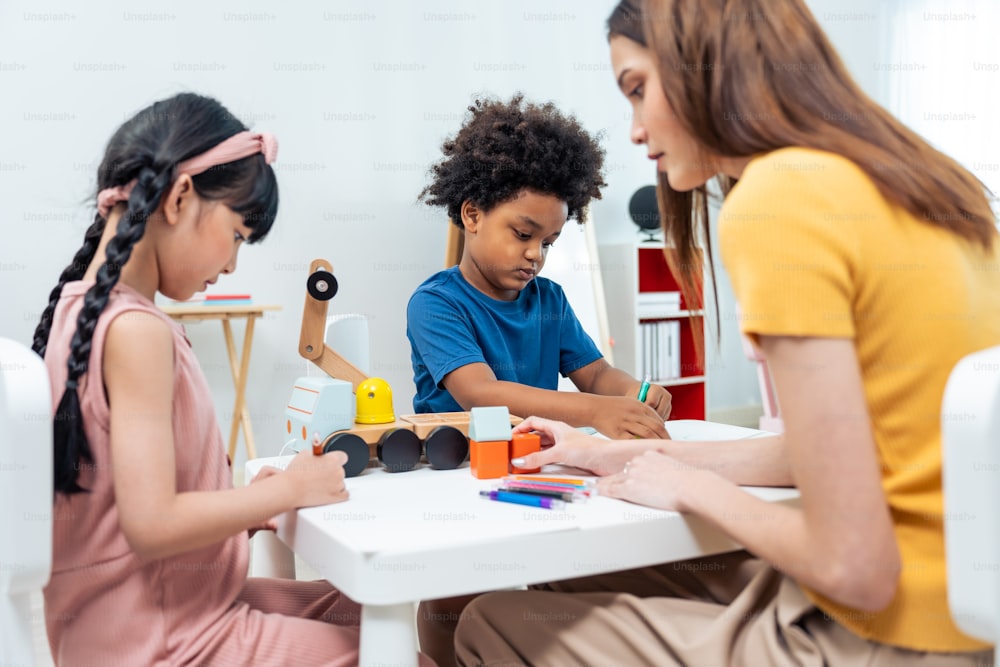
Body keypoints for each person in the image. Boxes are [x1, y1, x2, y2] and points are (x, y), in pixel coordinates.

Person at [454, 1, 1000, 665]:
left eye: (637, 89)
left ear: (701, 68)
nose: (633, 129)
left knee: (490, 619)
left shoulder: (779, 198)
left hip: (879, 631)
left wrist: (692, 486)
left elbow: (857, 563)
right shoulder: (930, 187)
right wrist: (618, 457)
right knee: (569, 576)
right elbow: (827, 452)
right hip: (957, 618)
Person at [33, 93, 433, 667]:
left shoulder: (80, 311)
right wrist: (285, 491)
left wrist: (249, 502)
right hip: (161, 638)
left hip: (132, 618)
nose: (231, 266)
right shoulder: (135, 332)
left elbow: (128, 512)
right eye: (239, 236)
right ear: (178, 198)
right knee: (401, 655)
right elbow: (151, 524)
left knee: (360, 608)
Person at [407, 93, 673, 442]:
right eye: (523, 234)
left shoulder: (549, 300)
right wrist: (596, 411)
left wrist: (633, 391)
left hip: (533, 457)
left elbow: (595, 375)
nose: (536, 254)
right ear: (472, 215)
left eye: (548, 242)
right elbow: (480, 394)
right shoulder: (436, 304)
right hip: (456, 465)